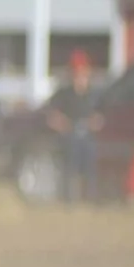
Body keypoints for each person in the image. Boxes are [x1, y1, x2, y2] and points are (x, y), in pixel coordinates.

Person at [44, 49, 104, 203]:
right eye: (77, 73)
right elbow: (51, 114)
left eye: (83, 73)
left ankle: (90, 197)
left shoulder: (94, 96)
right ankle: (70, 198)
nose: (80, 77)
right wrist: (63, 124)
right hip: (69, 136)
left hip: (88, 137)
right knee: (71, 160)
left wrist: (94, 123)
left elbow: (101, 117)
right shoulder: (63, 94)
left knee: (90, 159)